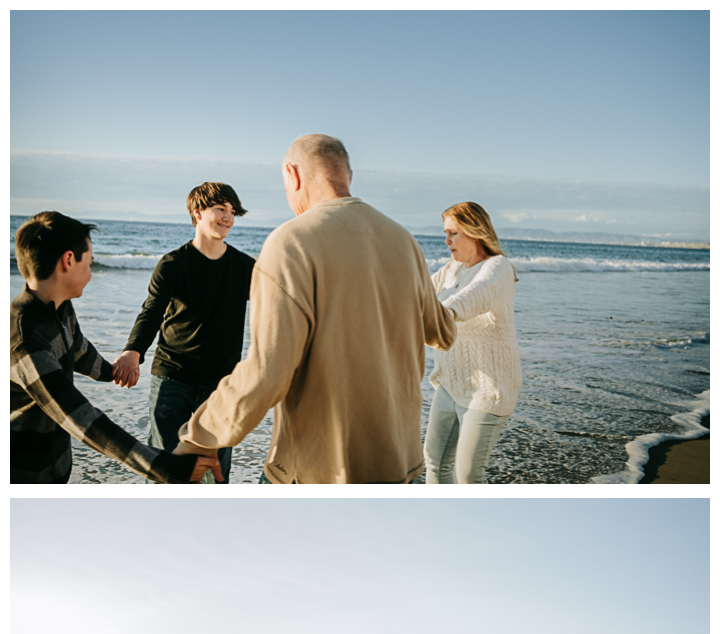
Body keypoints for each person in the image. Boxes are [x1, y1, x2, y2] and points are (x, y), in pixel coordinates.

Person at [174, 134, 457, 484]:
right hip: (400, 464)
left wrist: (200, 437)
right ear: (346, 175)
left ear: (292, 175)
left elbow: (267, 373)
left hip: (317, 470)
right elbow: (443, 332)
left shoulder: (291, 242)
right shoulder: (405, 242)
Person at [10, 211, 221, 484]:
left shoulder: (58, 308)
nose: (90, 272)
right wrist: (164, 467)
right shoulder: (25, 341)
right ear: (68, 260)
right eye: (90, 262)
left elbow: (79, 350)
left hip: (54, 467)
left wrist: (114, 371)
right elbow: (79, 417)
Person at [113, 182, 255, 484]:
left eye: (232, 212)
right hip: (174, 376)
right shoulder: (174, 264)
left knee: (216, 474)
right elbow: (151, 311)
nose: (228, 218)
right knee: (167, 470)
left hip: (221, 383)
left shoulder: (245, 267)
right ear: (197, 212)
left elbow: (278, 306)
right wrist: (132, 351)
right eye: (220, 210)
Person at [423, 202, 521, 484]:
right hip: (451, 384)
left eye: (453, 233)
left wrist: (443, 314)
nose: (447, 241)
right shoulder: (451, 269)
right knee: (435, 463)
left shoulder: (498, 267)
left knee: (467, 476)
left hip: (487, 391)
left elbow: (474, 296)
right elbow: (416, 294)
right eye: (445, 233)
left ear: (474, 231)